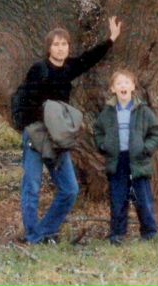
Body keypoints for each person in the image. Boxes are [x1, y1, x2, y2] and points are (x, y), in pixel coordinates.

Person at [12, 16, 122, 245]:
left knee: (70, 189)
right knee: (31, 186)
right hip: (36, 134)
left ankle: (46, 231)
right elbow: (22, 98)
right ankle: (34, 237)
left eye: (64, 44)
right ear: (49, 48)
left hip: (57, 138)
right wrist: (30, 124)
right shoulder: (39, 69)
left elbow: (88, 59)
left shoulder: (69, 68)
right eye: (56, 44)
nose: (61, 48)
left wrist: (111, 39)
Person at [93, 69, 158, 245]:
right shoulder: (108, 112)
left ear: (133, 86)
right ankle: (117, 234)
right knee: (118, 198)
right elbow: (98, 131)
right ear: (112, 89)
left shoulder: (142, 110)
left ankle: (149, 232)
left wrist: (146, 149)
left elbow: (157, 133)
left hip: (138, 160)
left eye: (126, 82)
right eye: (118, 83)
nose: (123, 86)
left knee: (143, 198)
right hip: (117, 161)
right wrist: (104, 146)